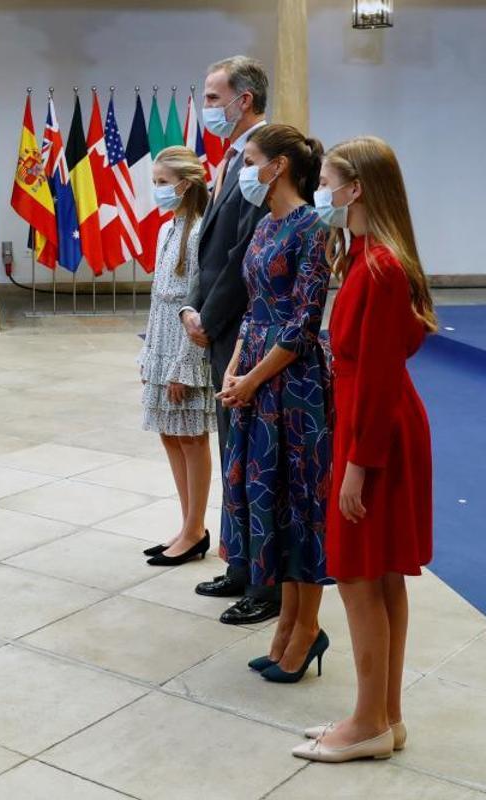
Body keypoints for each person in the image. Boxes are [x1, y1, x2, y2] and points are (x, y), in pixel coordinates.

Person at [294, 136, 435, 763]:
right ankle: (384, 715)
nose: (320, 192)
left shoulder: (377, 267)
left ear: (356, 189)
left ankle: (368, 722)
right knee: (380, 576)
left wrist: (355, 467)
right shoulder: (366, 255)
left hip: (374, 429)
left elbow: (375, 378)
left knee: (357, 575)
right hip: (373, 422)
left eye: (326, 181)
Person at [218, 124, 332, 684]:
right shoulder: (265, 224)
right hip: (257, 377)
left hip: (293, 381)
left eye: (252, 159)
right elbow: (254, 306)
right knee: (272, 502)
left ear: (280, 165)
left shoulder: (312, 227)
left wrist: (253, 378)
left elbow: (302, 323)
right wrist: (235, 366)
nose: (244, 168)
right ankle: (286, 624)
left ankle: (306, 627)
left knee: (299, 502)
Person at [182, 55, 278, 625]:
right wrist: (195, 305)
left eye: (213, 99)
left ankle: (264, 580)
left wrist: (210, 317)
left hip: (244, 330)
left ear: (244, 100)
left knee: (251, 456)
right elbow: (210, 246)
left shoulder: (263, 160)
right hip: (218, 323)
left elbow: (245, 252)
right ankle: (240, 563)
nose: (206, 108)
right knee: (232, 454)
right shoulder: (231, 159)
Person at [137, 146, 217, 567]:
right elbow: (157, 298)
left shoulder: (202, 229)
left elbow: (195, 300)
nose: (157, 191)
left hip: (186, 342)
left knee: (191, 435)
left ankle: (195, 528)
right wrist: (149, 352)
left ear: (185, 185)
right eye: (155, 183)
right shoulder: (167, 229)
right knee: (170, 433)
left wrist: (183, 364)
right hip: (162, 337)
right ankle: (187, 524)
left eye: (163, 183)